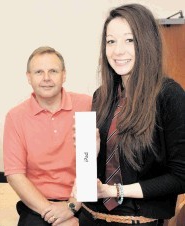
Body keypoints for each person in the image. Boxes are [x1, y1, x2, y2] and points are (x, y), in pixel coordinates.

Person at [78, 3, 185, 226]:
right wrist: (93, 151)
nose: (118, 51)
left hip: (138, 219)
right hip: (92, 216)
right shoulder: (102, 95)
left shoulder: (169, 95)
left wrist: (117, 190)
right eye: (111, 41)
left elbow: (180, 176)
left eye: (129, 40)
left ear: (147, 43)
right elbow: (105, 173)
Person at [3, 46, 92, 226]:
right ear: (28, 77)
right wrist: (52, 214)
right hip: (38, 204)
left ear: (64, 75)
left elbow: (91, 162)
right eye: (38, 72)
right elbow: (15, 175)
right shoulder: (15, 117)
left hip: (84, 200)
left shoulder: (86, 105)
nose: (46, 78)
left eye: (53, 71)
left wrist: (72, 206)